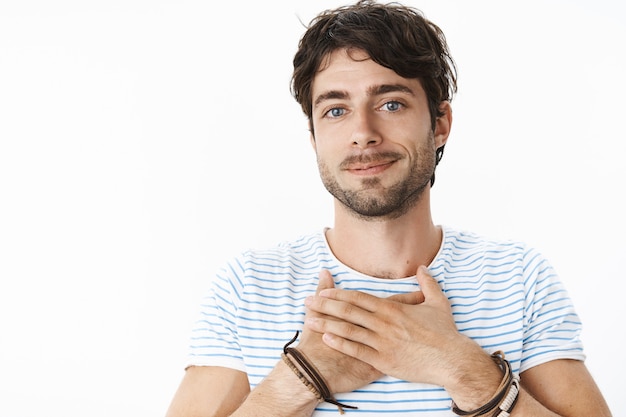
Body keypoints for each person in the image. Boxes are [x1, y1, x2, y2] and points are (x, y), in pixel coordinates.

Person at [165, 1, 612, 416]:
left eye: (391, 103)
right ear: (314, 136)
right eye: (336, 110)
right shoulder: (248, 286)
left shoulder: (518, 278)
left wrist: (463, 369)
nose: (363, 131)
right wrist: (303, 376)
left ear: (439, 124)